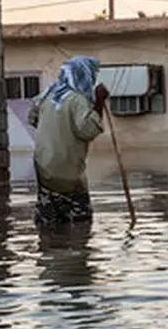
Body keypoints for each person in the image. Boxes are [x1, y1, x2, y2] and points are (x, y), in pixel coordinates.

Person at [26, 55, 111, 229]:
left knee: (48, 220)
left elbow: (33, 119)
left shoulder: (46, 96)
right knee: (80, 222)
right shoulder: (78, 100)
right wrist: (99, 101)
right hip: (68, 171)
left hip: (44, 168)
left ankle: (50, 242)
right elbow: (88, 130)